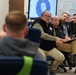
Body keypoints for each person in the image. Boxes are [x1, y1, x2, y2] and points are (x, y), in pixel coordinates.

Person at [32, 11, 65, 75]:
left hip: (50, 47)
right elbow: (42, 35)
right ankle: (42, 72)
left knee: (61, 57)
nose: (47, 17)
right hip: (39, 47)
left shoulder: (50, 25)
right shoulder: (37, 24)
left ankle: (51, 70)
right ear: (42, 16)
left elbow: (54, 35)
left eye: (49, 16)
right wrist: (55, 38)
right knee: (42, 58)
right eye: (46, 16)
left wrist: (56, 41)